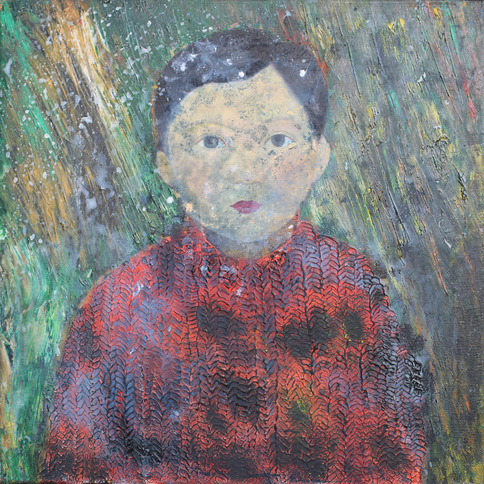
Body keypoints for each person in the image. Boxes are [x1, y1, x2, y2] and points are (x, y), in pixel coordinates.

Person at [40, 28, 425, 483]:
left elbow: (392, 462)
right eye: (211, 142)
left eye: (277, 140)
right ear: (165, 163)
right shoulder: (121, 305)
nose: (245, 172)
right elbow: (74, 467)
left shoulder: (353, 290)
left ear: (318, 157)